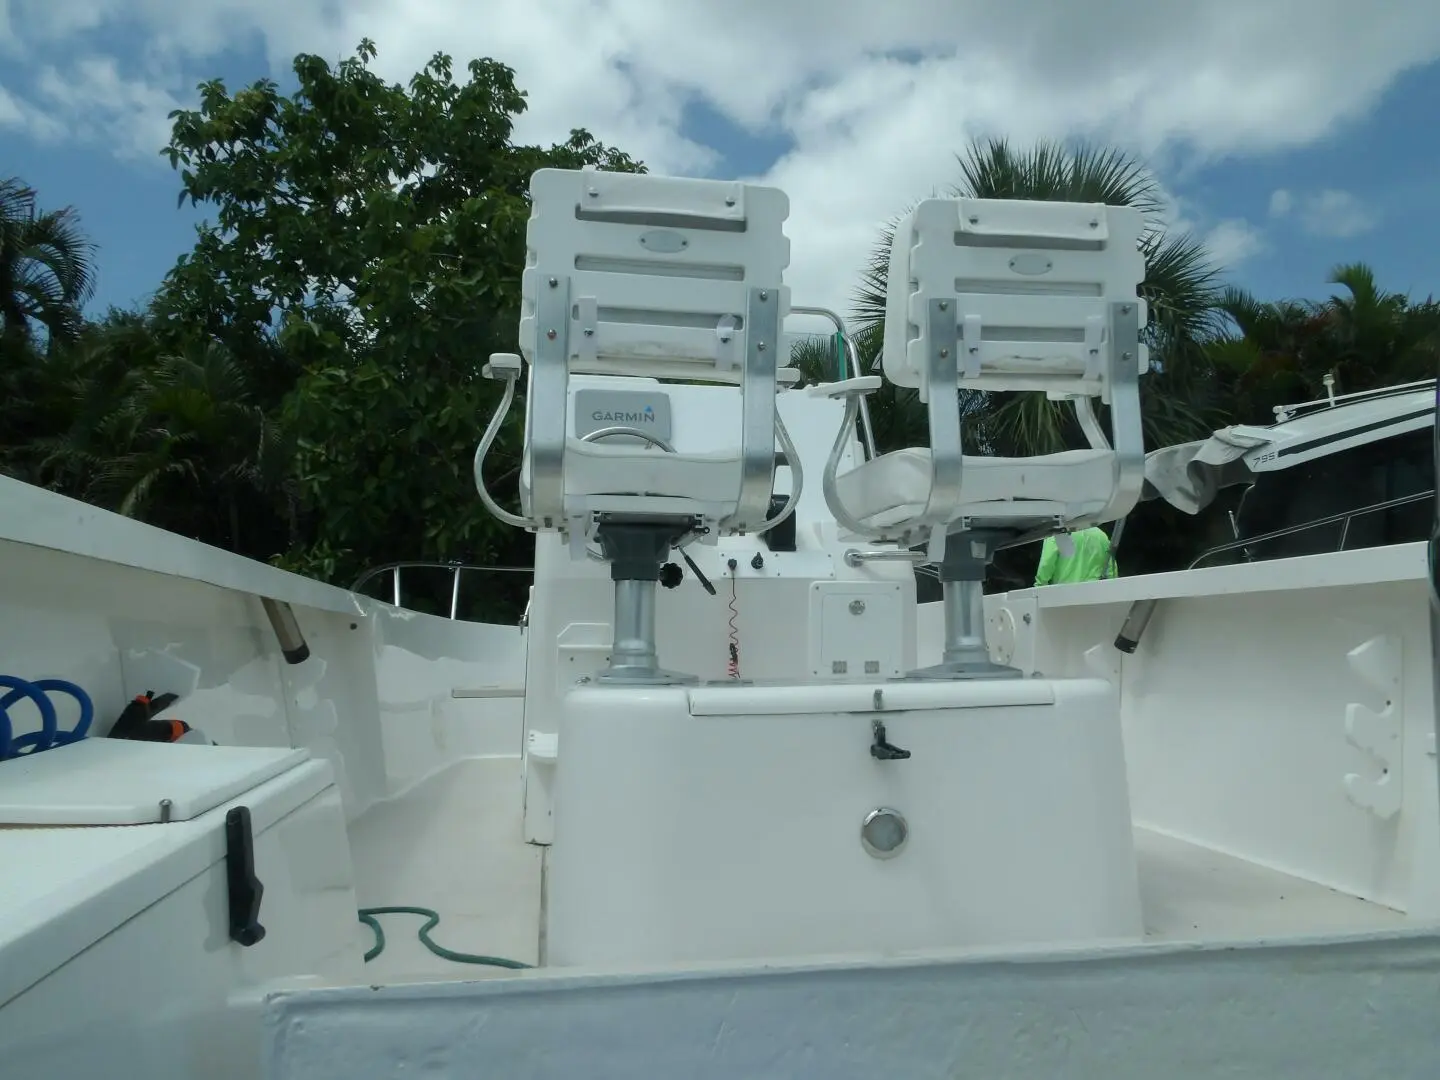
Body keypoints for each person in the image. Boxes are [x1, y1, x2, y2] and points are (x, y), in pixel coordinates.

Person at [1033, 526, 1117, 586]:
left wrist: (1040, 586)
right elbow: (1111, 569)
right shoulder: (1101, 535)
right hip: (1095, 593)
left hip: (1064, 594)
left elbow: (1047, 564)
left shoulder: (1058, 533)